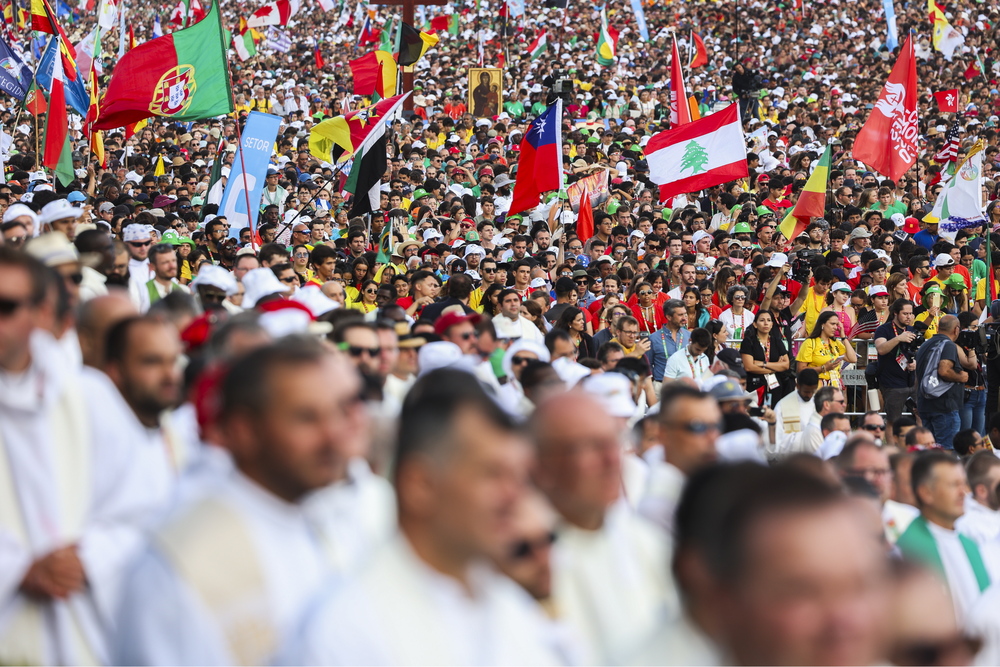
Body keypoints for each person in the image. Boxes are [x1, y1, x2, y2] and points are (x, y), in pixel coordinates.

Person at [115, 339, 366, 664]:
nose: (333, 434)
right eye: (307, 417)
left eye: (340, 412)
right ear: (243, 430)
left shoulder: (323, 518)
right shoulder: (180, 563)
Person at [290, 370, 560, 665]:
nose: (514, 496)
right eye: (492, 474)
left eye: (519, 477)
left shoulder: (508, 604)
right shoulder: (348, 631)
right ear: (420, 485)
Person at [0, 247, 156, 665]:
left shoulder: (88, 397)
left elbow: (144, 509)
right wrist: (16, 569)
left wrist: (85, 558)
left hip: (82, 629)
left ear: (41, 314)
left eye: (6, 307)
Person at [531, 391, 676, 664]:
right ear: (542, 464)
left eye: (613, 443)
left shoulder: (645, 541)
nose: (611, 460)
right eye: (589, 447)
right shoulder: (527, 557)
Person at [896, 450, 990, 623]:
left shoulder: (969, 542)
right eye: (954, 485)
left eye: (964, 484)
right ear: (926, 493)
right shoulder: (908, 552)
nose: (964, 492)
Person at [638, 384, 722, 534]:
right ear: (664, 434)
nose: (712, 437)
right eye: (698, 427)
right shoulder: (657, 505)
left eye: (716, 426)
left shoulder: (711, 488)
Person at [915, 315, 970, 451]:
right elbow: (944, 370)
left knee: (928, 451)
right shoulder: (948, 345)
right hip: (944, 406)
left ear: (939, 328)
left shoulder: (925, 344)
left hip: (925, 404)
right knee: (946, 451)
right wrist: (961, 377)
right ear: (956, 330)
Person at [873, 299, 918, 444]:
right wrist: (898, 338)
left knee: (920, 415)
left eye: (911, 313)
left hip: (912, 380)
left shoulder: (912, 330)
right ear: (895, 313)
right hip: (892, 382)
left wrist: (915, 363)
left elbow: (917, 352)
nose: (908, 317)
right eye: (905, 313)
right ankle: (892, 451)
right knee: (893, 419)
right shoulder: (884, 329)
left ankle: (919, 447)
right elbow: (881, 349)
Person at [795, 310, 858, 387]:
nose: (835, 327)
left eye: (837, 324)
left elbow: (853, 359)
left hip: (834, 386)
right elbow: (801, 369)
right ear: (822, 324)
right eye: (832, 324)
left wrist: (843, 337)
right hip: (817, 386)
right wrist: (823, 368)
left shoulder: (835, 343)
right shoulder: (810, 342)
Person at [740, 309, 790, 404]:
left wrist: (763, 363)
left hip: (774, 385)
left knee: (772, 413)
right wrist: (775, 368)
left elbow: (786, 365)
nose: (766, 323)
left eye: (769, 320)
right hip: (755, 386)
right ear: (755, 324)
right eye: (762, 320)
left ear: (772, 324)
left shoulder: (777, 341)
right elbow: (749, 367)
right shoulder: (748, 341)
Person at [773, 368, 821, 456]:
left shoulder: (819, 402)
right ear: (797, 385)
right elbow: (777, 437)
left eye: (813, 391)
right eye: (806, 392)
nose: (809, 395)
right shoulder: (783, 406)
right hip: (791, 457)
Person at [645, 298, 690, 389]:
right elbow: (648, 364)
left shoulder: (689, 336)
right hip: (661, 386)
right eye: (680, 315)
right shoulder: (654, 338)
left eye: (685, 314)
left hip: (684, 387)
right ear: (669, 317)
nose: (684, 318)